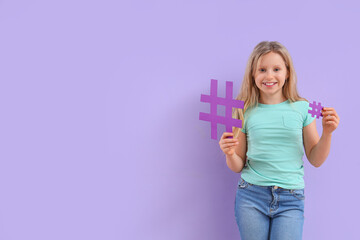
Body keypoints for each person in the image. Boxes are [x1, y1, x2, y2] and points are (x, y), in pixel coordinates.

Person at [219, 41, 339, 240]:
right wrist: (229, 153)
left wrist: (328, 133)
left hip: (290, 199)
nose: (269, 76)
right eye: (262, 69)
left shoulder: (303, 108)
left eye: (276, 69)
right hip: (251, 197)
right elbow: (237, 165)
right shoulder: (244, 110)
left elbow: (316, 159)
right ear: (253, 75)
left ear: (288, 73)